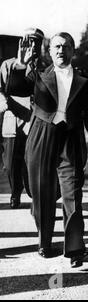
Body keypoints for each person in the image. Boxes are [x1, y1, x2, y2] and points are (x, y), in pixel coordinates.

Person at [6, 32, 88, 267]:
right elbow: (14, 88)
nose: (61, 50)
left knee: (72, 193)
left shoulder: (85, 80)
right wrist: (20, 64)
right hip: (41, 135)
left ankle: (75, 249)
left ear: (73, 50)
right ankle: (45, 243)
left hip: (71, 138)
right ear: (50, 52)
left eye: (66, 46)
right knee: (42, 192)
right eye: (57, 47)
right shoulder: (37, 74)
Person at [0, 28, 45, 209]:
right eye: (30, 40)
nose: (33, 45)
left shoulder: (44, 67)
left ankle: (33, 192)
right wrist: (3, 101)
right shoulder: (9, 65)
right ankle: (15, 192)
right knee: (11, 163)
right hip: (13, 119)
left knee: (32, 161)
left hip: (35, 122)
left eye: (37, 42)